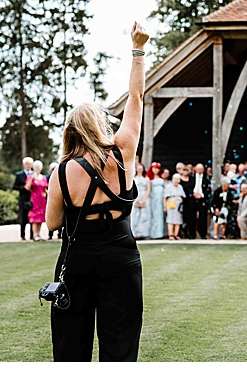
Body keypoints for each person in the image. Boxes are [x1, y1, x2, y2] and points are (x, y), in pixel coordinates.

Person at [45, 21, 146, 362]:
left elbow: (52, 224)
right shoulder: (124, 150)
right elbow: (136, 97)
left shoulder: (61, 171)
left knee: (71, 344)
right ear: (100, 125)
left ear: (70, 132)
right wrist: (137, 49)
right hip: (121, 256)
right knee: (121, 341)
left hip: (78, 260)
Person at [183, 163, 211, 240]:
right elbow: (188, 188)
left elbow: (208, 190)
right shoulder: (191, 178)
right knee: (191, 216)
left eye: (201, 169)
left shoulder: (206, 179)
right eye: (198, 169)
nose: (199, 171)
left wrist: (202, 195)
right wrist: (193, 194)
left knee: (203, 217)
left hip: (202, 198)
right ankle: (192, 234)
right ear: (195, 169)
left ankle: (203, 234)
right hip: (192, 198)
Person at [27, 160, 49, 241]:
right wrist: (31, 179)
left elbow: (45, 188)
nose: (38, 169)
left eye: (39, 168)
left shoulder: (43, 177)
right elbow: (27, 188)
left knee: (40, 218)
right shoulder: (31, 177)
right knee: (34, 218)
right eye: (36, 167)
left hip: (42, 199)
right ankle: (34, 234)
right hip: (34, 199)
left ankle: (38, 234)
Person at [14, 157, 34, 241]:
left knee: (33, 218)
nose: (28, 165)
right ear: (24, 165)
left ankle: (32, 235)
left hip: (32, 199)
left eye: (29, 164)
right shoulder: (19, 175)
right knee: (23, 218)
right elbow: (15, 186)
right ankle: (22, 235)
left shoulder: (34, 174)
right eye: (27, 164)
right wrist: (24, 188)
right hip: (23, 199)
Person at [130, 162, 152, 241]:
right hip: (135, 196)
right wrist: (135, 198)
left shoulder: (146, 178)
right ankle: (134, 233)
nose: (139, 170)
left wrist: (144, 199)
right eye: (138, 168)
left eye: (141, 168)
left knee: (144, 216)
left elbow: (148, 189)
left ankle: (143, 233)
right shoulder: (133, 178)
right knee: (135, 215)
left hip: (144, 196)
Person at [147, 166, 168, 241]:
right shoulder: (149, 178)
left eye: (157, 168)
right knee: (153, 215)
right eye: (154, 168)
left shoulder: (161, 178)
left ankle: (160, 233)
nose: (156, 170)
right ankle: (153, 233)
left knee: (160, 215)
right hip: (153, 198)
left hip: (161, 198)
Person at [165, 173, 186, 239]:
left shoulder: (180, 187)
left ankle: (176, 234)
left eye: (178, 179)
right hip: (171, 203)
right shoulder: (168, 186)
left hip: (178, 204)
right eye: (175, 179)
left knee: (178, 219)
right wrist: (164, 206)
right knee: (170, 219)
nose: (176, 181)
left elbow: (183, 196)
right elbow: (165, 197)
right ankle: (170, 234)